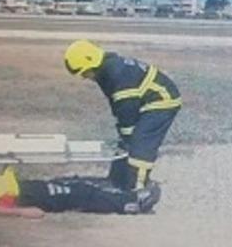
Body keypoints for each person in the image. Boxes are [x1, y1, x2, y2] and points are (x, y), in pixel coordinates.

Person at [64, 40, 181, 191]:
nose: (86, 77)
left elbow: (127, 109)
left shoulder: (116, 74)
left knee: (141, 142)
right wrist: (124, 134)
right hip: (145, 99)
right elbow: (116, 103)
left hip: (162, 101)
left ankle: (138, 188)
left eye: (85, 73)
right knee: (126, 141)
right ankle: (117, 181)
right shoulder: (105, 70)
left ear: (92, 63)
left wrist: (127, 134)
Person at [0, 167, 160, 217]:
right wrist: (23, 213)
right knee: (76, 196)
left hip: (27, 187)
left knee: (76, 186)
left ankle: (123, 196)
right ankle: (132, 204)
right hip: (27, 197)